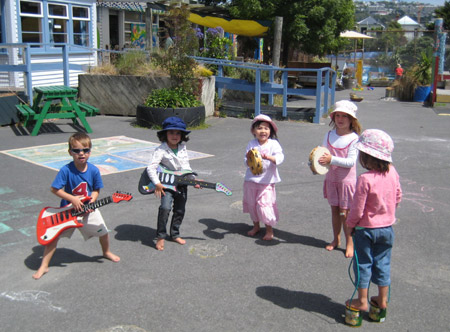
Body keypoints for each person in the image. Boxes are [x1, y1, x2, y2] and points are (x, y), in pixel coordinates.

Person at [33, 133, 120, 279]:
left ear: (90, 152)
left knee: (104, 233)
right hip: (68, 212)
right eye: (77, 150)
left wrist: (93, 200)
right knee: (52, 239)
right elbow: (54, 189)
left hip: (88, 211)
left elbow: (96, 190)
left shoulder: (93, 170)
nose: (81, 154)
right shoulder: (66, 170)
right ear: (70, 152)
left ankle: (106, 252)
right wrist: (72, 199)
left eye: (85, 150)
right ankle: (44, 265)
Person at [345, 129, 402, 321]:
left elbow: (357, 209)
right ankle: (382, 299)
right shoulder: (393, 172)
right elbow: (398, 196)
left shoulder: (364, 179)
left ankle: (362, 300)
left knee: (363, 265)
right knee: (383, 263)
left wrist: (350, 225)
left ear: (366, 157)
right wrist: (388, 212)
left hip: (365, 231)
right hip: (387, 229)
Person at [146, 117, 199, 251]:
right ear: (165, 134)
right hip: (166, 185)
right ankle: (160, 237)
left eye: (178, 133)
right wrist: (157, 184)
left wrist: (193, 180)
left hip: (181, 184)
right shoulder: (161, 150)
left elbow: (186, 167)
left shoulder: (182, 147)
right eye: (171, 133)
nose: (175, 136)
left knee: (180, 210)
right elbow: (151, 168)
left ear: (182, 135)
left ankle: (175, 234)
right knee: (165, 208)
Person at [319, 100, 362, 258]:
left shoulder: (354, 139)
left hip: (346, 183)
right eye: (338, 115)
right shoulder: (329, 135)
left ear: (352, 119)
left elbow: (350, 162)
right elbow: (323, 153)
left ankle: (349, 241)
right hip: (331, 180)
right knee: (334, 210)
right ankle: (336, 239)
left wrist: (331, 159)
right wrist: (317, 161)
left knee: (346, 213)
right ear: (333, 117)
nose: (340, 119)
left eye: (345, 116)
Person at [244, 114, 284, 241]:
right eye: (260, 128)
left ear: (270, 131)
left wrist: (269, 158)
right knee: (252, 204)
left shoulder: (273, 144)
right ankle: (256, 226)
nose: (263, 131)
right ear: (254, 131)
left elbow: (280, 157)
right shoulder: (252, 143)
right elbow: (246, 161)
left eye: (266, 128)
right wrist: (249, 158)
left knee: (264, 205)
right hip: (251, 180)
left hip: (266, 181)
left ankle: (269, 229)